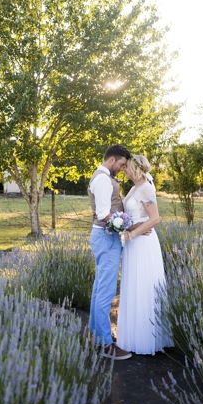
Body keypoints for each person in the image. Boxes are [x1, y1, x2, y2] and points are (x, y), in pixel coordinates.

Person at [116, 154, 173, 355]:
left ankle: (147, 338)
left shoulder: (147, 188)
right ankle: (132, 335)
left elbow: (155, 218)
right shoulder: (133, 188)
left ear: (135, 168)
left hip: (143, 243)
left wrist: (131, 234)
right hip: (133, 244)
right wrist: (128, 227)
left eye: (127, 167)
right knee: (133, 285)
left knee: (144, 285)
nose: (124, 170)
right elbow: (135, 216)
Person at [89, 144, 133, 360]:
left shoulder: (103, 177)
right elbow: (104, 213)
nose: (122, 169)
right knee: (106, 292)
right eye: (122, 164)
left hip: (103, 237)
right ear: (112, 159)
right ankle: (106, 344)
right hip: (106, 237)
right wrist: (126, 228)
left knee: (99, 289)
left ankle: (95, 335)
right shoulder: (103, 179)